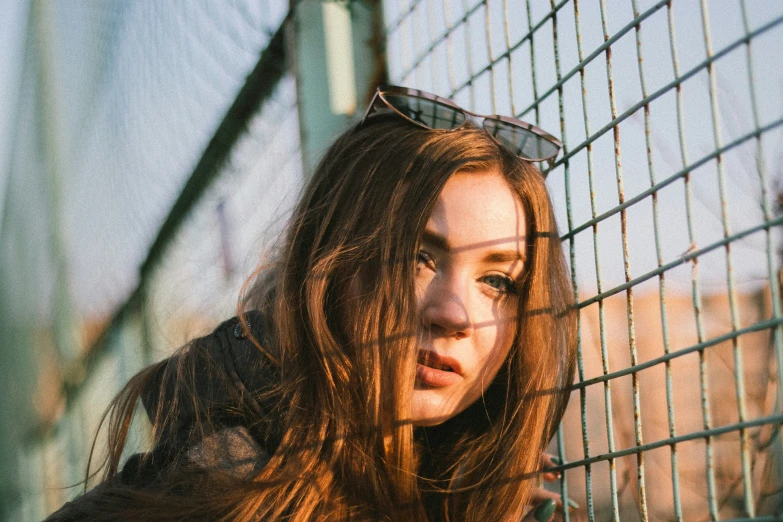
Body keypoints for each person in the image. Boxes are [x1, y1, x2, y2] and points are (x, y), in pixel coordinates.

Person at [47, 86, 577, 521]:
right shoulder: (212, 490)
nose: (456, 315)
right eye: (417, 256)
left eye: (498, 282)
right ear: (329, 261)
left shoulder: (455, 486)